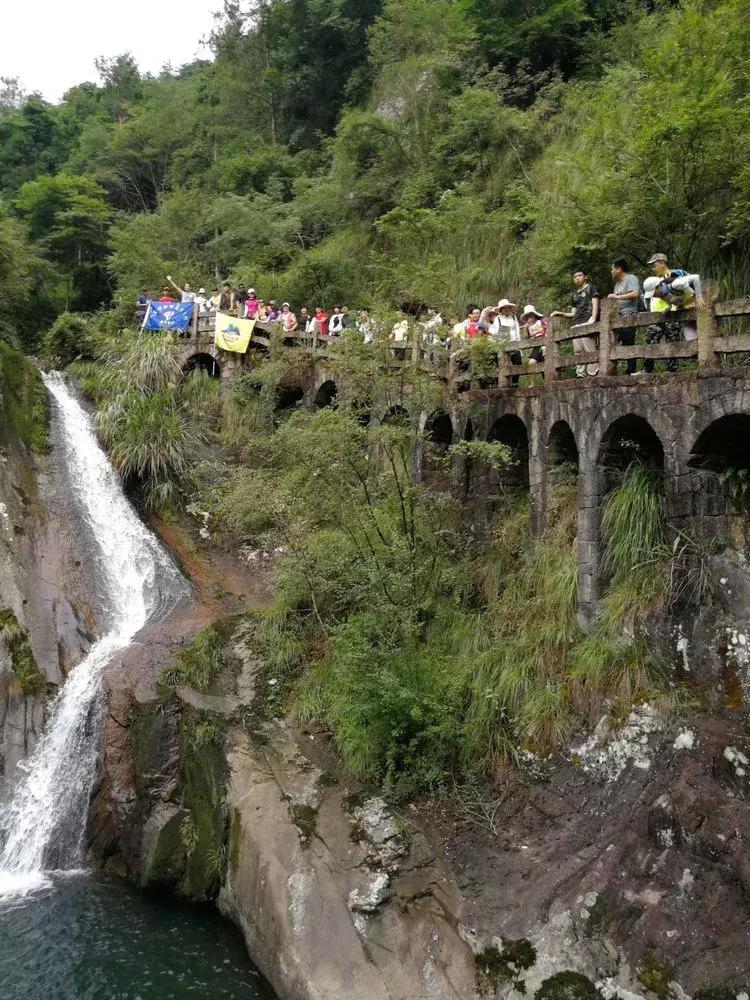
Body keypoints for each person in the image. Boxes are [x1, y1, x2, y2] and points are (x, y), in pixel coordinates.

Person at [643, 253, 705, 373]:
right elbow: (674, 297)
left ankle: (702, 366)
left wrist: (697, 296)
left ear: (662, 263)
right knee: (691, 339)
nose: (653, 268)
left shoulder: (673, 276)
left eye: (654, 265)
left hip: (690, 309)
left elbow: (690, 283)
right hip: (675, 312)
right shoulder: (656, 282)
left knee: (694, 338)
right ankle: (701, 366)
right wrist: (670, 306)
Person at [551, 269, 600, 377]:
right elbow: (573, 313)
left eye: (579, 275)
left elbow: (595, 304)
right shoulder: (574, 295)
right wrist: (561, 313)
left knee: (589, 348)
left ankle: (592, 373)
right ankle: (580, 374)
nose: (577, 278)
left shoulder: (591, 288)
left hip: (587, 321)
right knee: (578, 350)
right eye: (575, 276)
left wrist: (593, 318)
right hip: (576, 323)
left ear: (585, 277)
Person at [607, 259, 640, 375]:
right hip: (618, 317)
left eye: (612, 269)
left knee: (628, 342)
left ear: (619, 269)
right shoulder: (617, 285)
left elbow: (635, 294)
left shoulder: (631, 278)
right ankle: (613, 369)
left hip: (629, 315)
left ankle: (631, 370)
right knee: (613, 343)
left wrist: (616, 297)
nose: (611, 271)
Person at [495, 299, 522, 385]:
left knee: (518, 363)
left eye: (508, 308)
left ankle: (515, 383)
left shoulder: (513, 317)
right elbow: (496, 332)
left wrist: (519, 345)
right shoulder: (497, 319)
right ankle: (505, 384)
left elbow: (517, 331)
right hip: (503, 344)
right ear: (501, 309)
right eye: (504, 308)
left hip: (514, 343)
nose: (506, 310)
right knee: (504, 364)